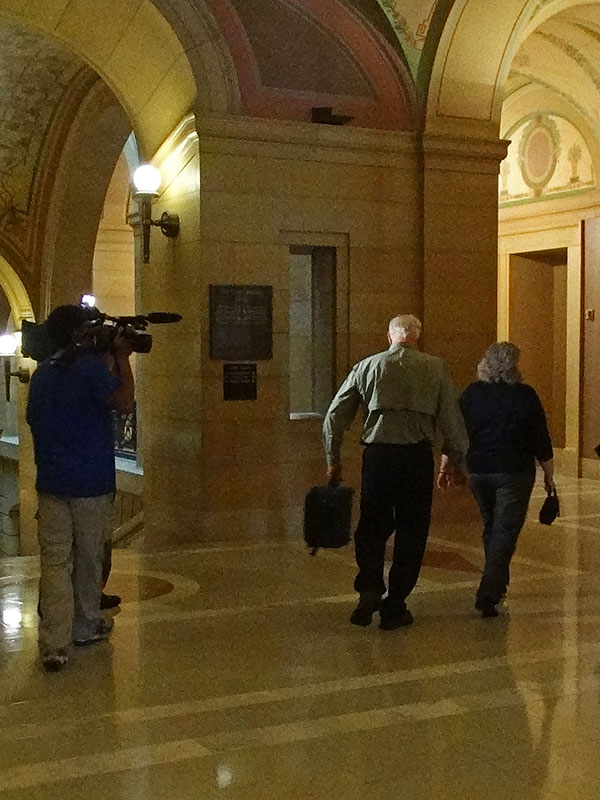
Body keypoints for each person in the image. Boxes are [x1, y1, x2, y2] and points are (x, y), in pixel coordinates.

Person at [322, 314, 468, 630]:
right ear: (417, 337)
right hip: (416, 458)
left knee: (371, 526)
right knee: (412, 531)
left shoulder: (366, 366)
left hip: (378, 457)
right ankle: (395, 605)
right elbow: (452, 421)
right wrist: (455, 459)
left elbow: (334, 415)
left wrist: (333, 459)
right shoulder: (436, 368)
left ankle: (370, 588)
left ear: (389, 337)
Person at [27, 304, 135, 671]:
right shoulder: (89, 370)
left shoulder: (43, 374)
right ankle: (85, 625)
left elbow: (34, 421)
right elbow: (124, 402)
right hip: (90, 483)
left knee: (55, 562)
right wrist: (122, 359)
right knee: (89, 559)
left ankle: (54, 643)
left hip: (51, 483)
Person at [457, 341, 554, 618]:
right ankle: (489, 591)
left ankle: (497, 583)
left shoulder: (472, 393)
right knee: (505, 530)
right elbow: (540, 438)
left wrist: (446, 464)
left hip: (478, 470)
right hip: (514, 472)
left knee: (492, 526)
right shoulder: (525, 396)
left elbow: (457, 430)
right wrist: (549, 475)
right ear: (513, 366)